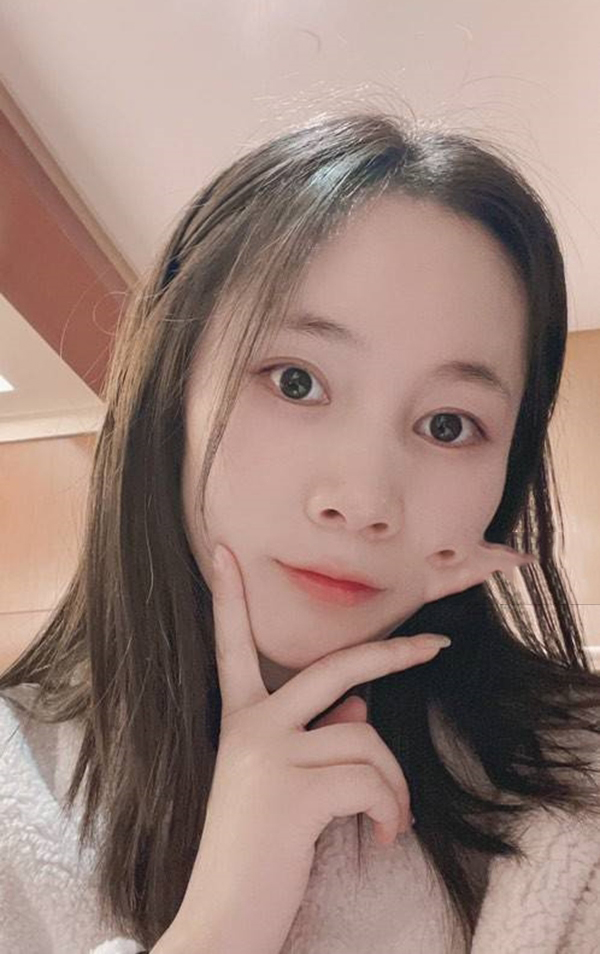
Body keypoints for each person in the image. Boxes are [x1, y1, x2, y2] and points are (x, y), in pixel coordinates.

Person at [1, 111, 599, 954]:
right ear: (170, 394)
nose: (363, 500)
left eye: (449, 425)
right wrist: (221, 928)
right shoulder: (15, 787)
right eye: (295, 381)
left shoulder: (577, 792)